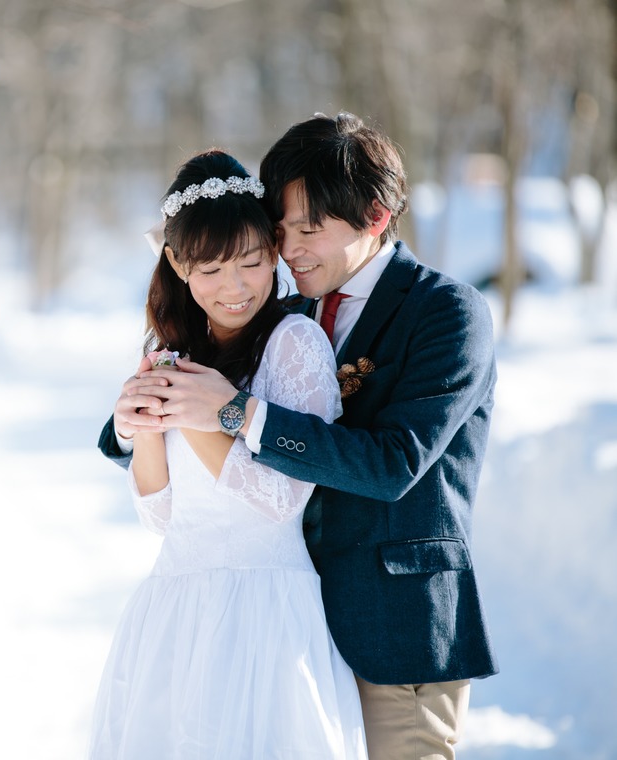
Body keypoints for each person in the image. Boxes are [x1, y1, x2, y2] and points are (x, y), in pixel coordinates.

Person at [100, 112, 498, 760]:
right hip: (288, 622)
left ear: (375, 216)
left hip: (392, 622)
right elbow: (193, 408)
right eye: (280, 230)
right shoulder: (285, 308)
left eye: (309, 229)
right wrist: (133, 422)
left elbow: (395, 464)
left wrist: (237, 414)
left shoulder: (445, 312)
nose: (290, 250)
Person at [88, 149, 368, 759]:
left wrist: (196, 413)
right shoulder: (174, 352)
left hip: (266, 612)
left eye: (251, 262)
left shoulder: (295, 343)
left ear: (273, 251)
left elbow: (281, 500)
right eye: (211, 269)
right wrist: (141, 428)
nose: (235, 288)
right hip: (173, 612)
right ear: (176, 264)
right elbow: (161, 517)